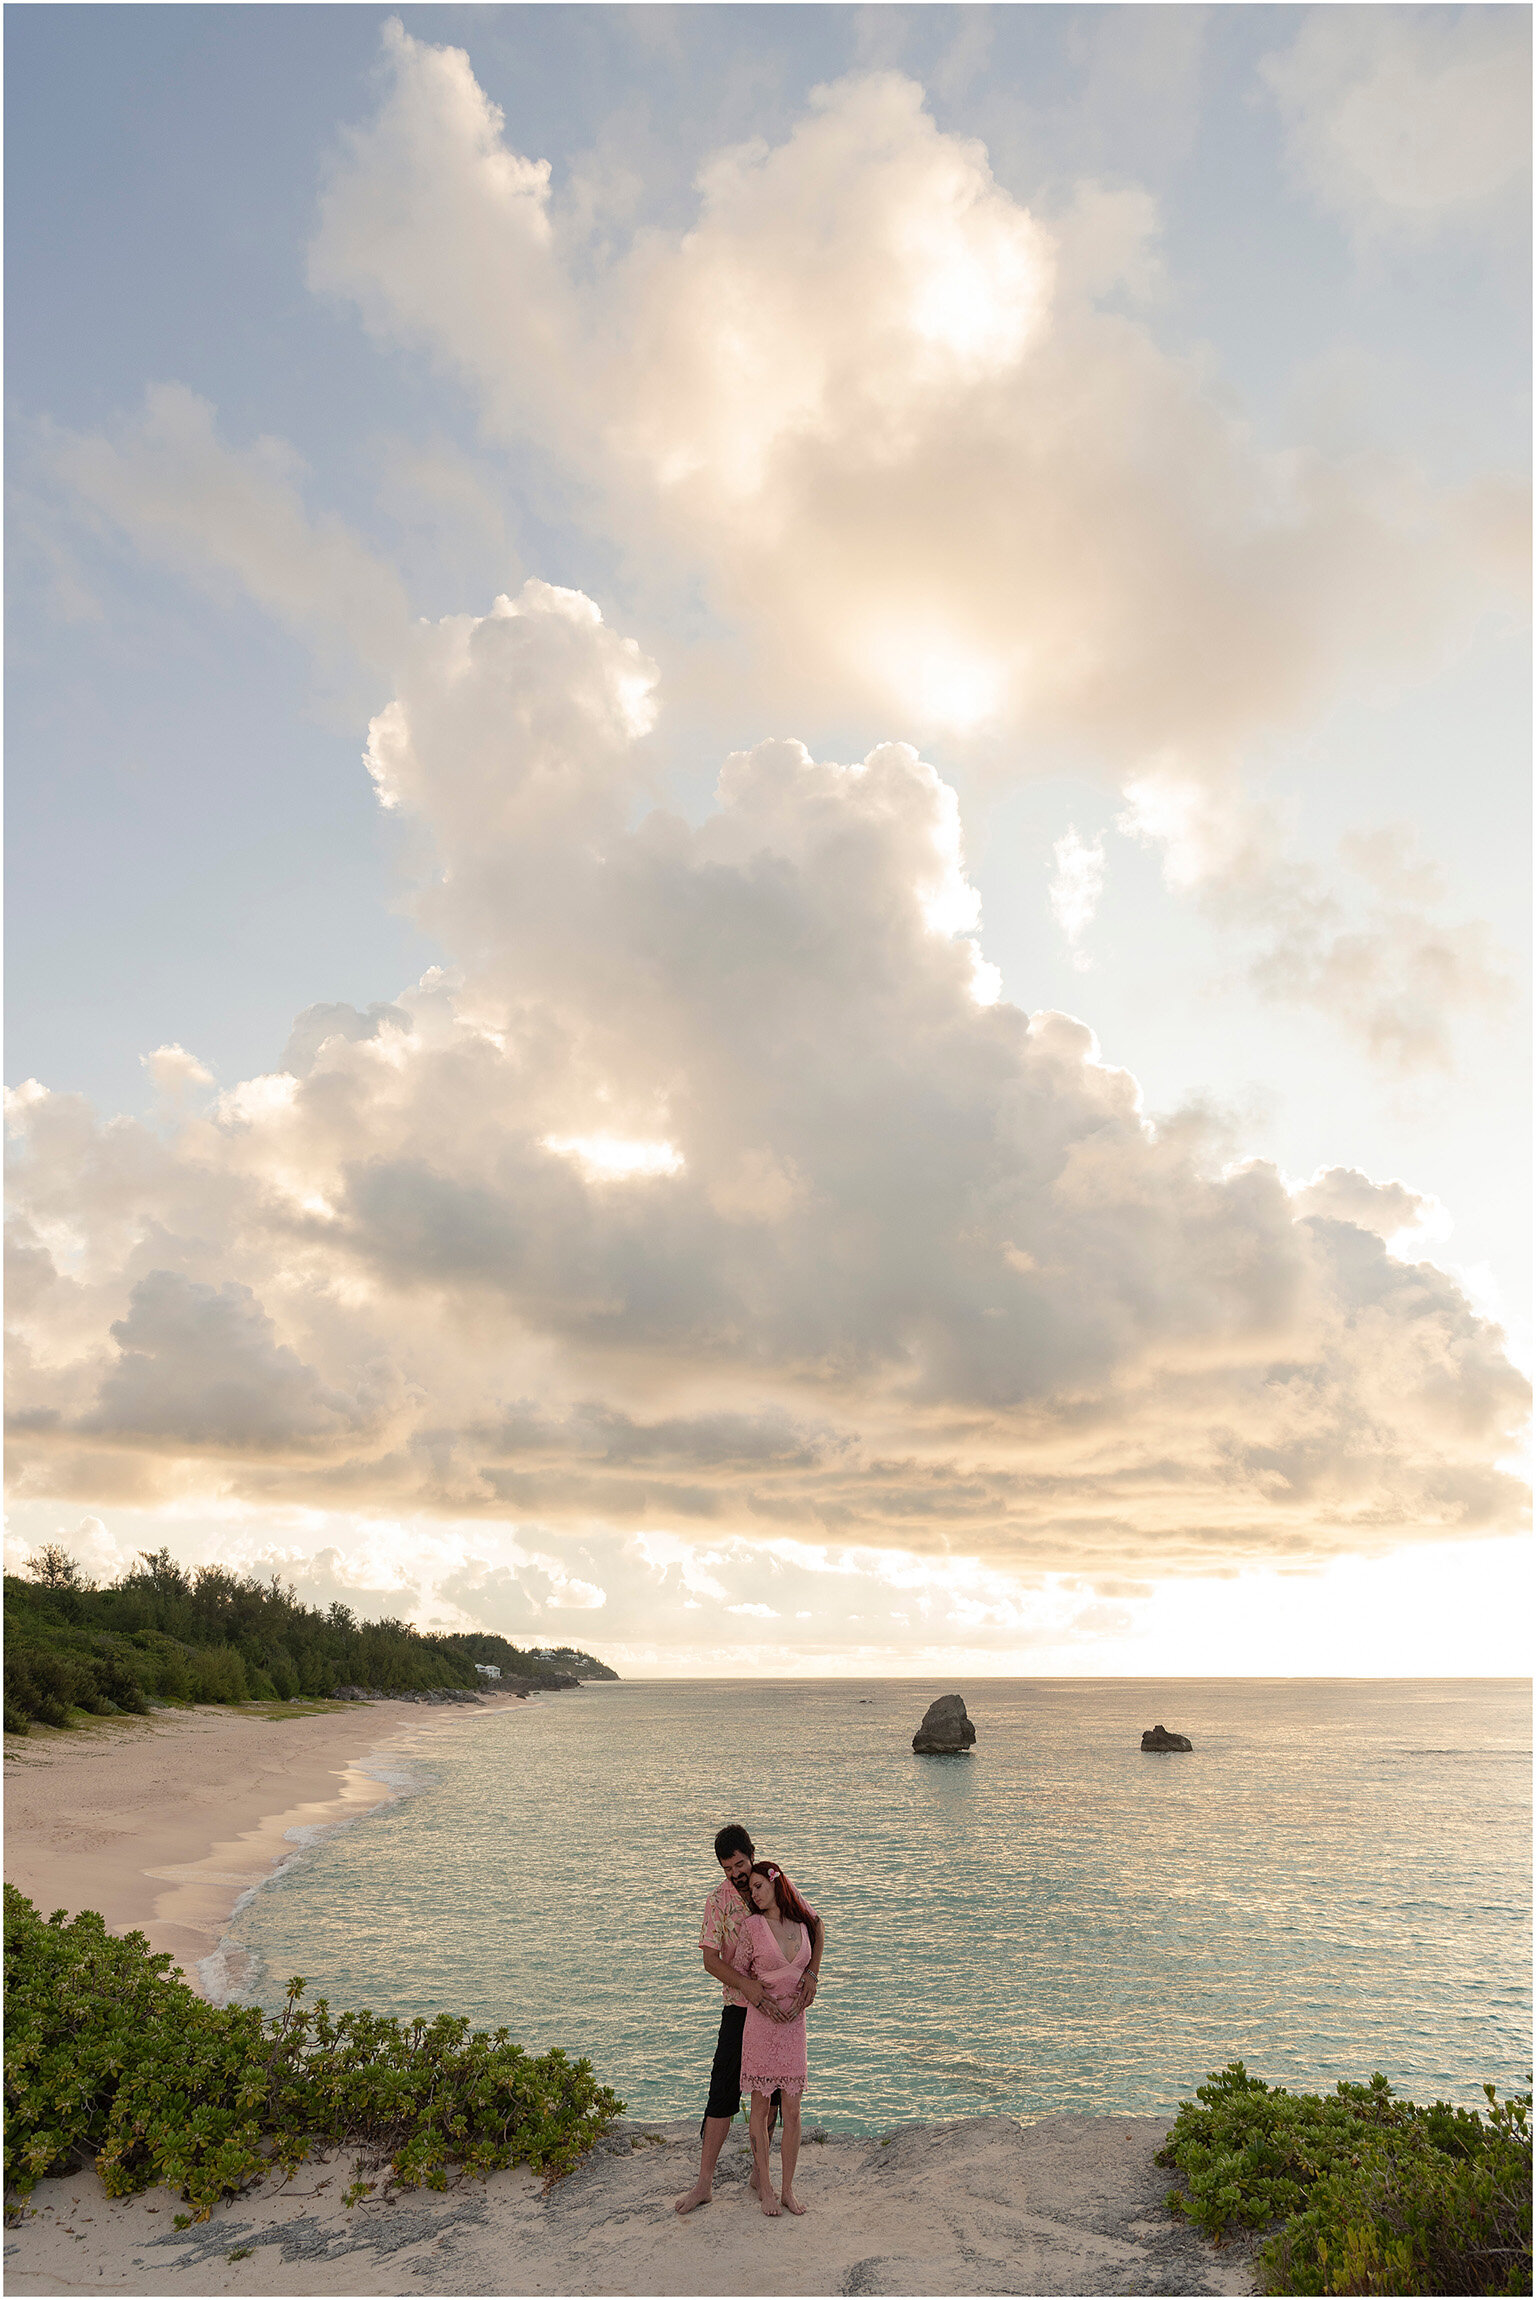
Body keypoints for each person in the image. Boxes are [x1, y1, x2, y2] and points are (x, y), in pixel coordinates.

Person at [673, 1823, 825, 2216]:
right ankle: (705, 2183)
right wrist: (747, 1986)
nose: (737, 1875)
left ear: (752, 1854)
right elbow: (710, 1960)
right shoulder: (717, 1902)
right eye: (729, 1869)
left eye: (740, 1864)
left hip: (781, 2013)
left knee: (775, 2097)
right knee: (722, 2092)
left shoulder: (775, 1886)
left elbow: (816, 1924)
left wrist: (811, 1975)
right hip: (740, 2010)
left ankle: (763, 2178)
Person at [738, 1861, 816, 2216]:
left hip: (794, 2027)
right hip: (762, 2026)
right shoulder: (752, 1926)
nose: (753, 1894)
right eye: (750, 1889)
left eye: (757, 1886)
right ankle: (765, 2187)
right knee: (758, 2109)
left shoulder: (801, 1924)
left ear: (775, 1882)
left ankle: (787, 2189)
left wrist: (812, 1977)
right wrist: (759, 1997)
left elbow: (818, 1930)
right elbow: (738, 1974)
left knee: (794, 2112)